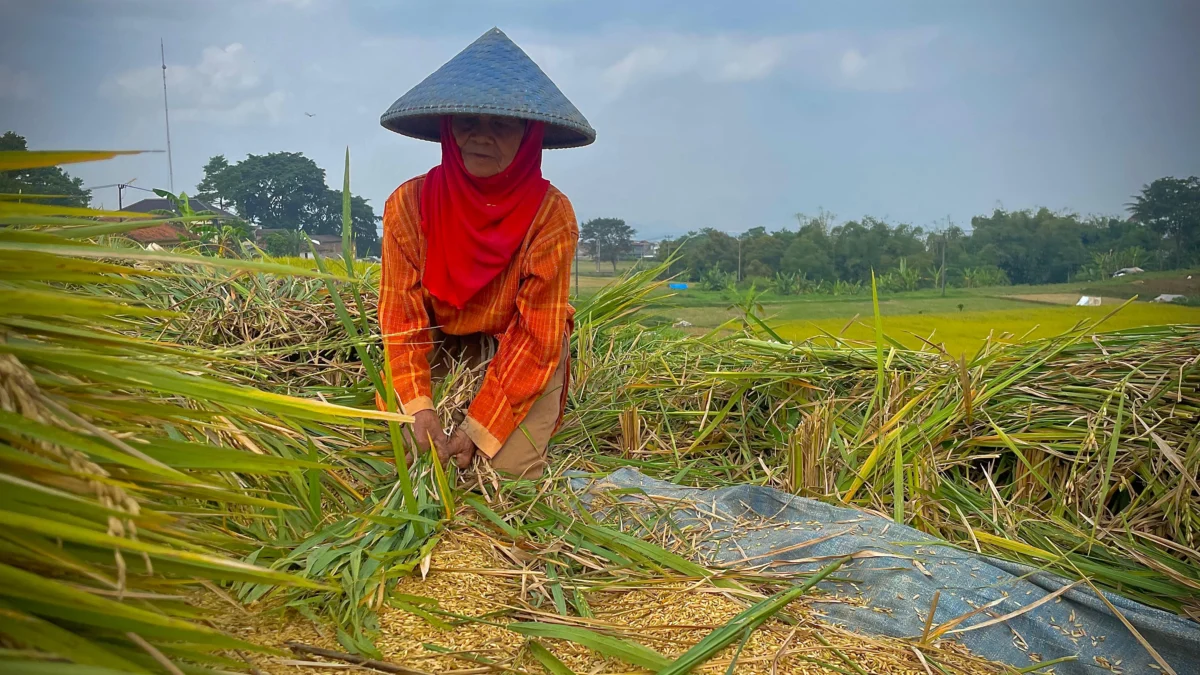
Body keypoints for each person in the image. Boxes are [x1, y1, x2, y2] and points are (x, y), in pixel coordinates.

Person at [376, 28, 596, 479]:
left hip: (515, 344)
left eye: (501, 124)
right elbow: (403, 322)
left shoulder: (550, 216)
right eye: (468, 123)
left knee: (505, 474)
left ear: (529, 134)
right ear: (447, 129)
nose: (480, 137)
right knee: (410, 456)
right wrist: (419, 408)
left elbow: (537, 336)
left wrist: (479, 428)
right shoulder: (409, 205)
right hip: (441, 337)